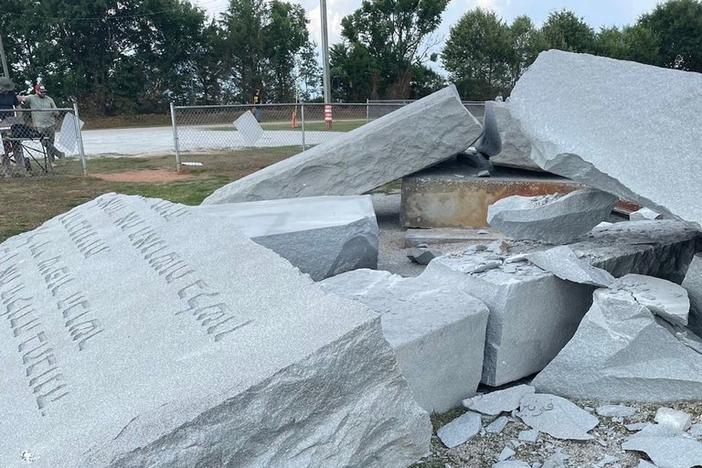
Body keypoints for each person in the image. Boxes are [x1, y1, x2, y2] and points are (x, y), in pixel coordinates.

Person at [23, 83, 65, 161]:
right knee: (44, 142)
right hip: (39, 125)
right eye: (41, 92)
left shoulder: (49, 99)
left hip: (50, 124)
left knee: (51, 143)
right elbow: (23, 99)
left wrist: (55, 112)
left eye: (44, 91)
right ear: (36, 91)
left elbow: (57, 112)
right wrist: (18, 97)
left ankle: (51, 161)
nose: (43, 93)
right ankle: (59, 154)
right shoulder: (32, 98)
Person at [0, 76, 27, 175]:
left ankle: (22, 170)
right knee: (4, 150)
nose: (7, 90)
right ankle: (7, 172)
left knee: (17, 147)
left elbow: (18, 106)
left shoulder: (12, 94)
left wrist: (19, 119)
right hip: (1, 125)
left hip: (12, 123)